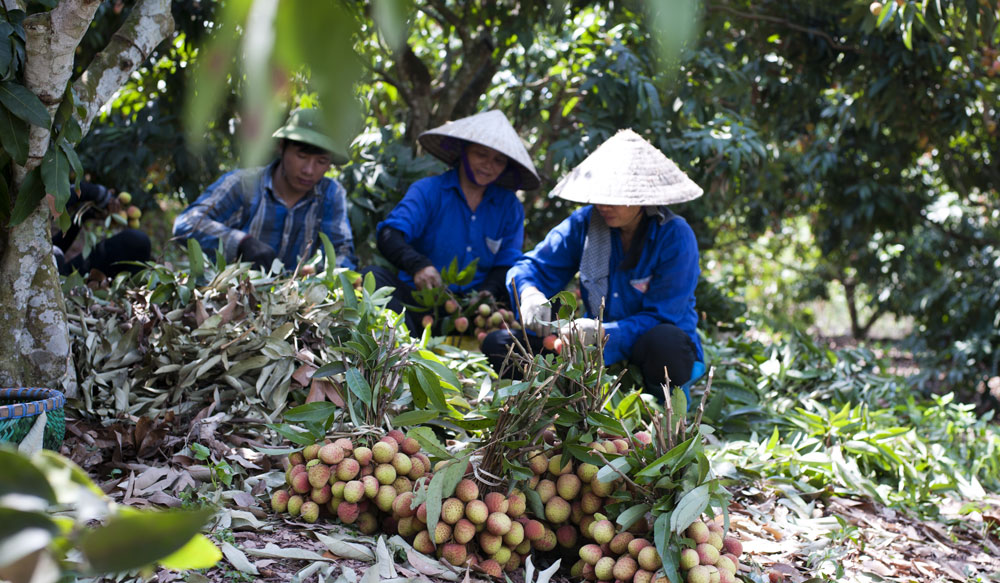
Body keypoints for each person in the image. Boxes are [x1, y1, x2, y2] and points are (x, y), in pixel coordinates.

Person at [482, 129, 705, 398]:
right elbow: (530, 267)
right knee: (499, 345)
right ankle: (567, 393)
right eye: (600, 194)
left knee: (665, 343)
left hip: (650, 350)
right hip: (588, 348)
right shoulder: (585, 224)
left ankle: (661, 407)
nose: (604, 204)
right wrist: (529, 294)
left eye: (615, 196)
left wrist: (602, 333)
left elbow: (662, 316)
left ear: (641, 197)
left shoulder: (674, 236)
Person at [367, 110, 540, 330]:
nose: (488, 165)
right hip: (417, 302)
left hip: (472, 313)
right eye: (481, 154)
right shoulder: (429, 191)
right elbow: (389, 234)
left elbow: (507, 261)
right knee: (372, 277)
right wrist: (418, 265)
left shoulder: (510, 207)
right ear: (463, 152)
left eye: (498, 160)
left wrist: (486, 293)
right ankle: (401, 345)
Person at [173, 108, 357, 272]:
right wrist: (242, 243)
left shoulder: (330, 195)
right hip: (233, 293)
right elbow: (186, 224)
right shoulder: (244, 184)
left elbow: (342, 251)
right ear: (281, 147)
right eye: (301, 156)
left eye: (321, 162)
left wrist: (322, 274)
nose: (309, 170)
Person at [53, 181, 151, 278]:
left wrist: (88, 212)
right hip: (55, 282)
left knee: (137, 242)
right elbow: (54, 202)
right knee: (138, 242)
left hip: (57, 273)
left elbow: (50, 248)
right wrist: (95, 193)